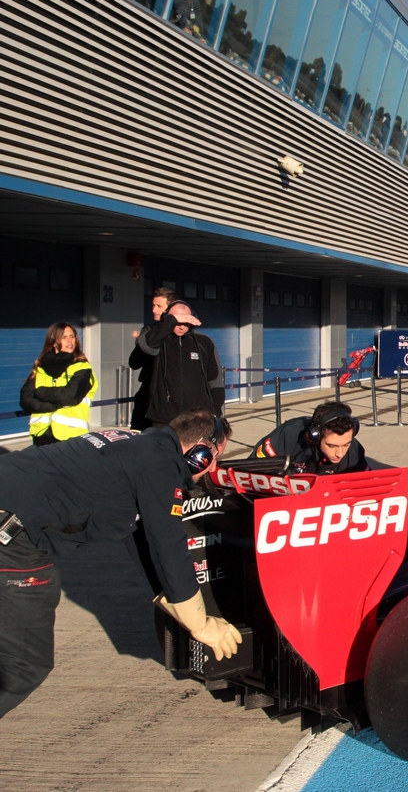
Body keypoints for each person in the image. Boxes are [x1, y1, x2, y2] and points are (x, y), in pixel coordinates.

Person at [0, 410, 242, 718]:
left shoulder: (135, 443)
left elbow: (139, 537)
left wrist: (168, 598)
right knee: (24, 665)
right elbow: (168, 544)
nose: (214, 467)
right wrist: (200, 625)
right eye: (215, 457)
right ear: (200, 453)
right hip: (12, 534)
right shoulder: (161, 465)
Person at [133, 300, 225, 428]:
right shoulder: (158, 339)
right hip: (164, 418)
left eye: (186, 322)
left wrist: (215, 412)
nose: (181, 327)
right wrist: (170, 322)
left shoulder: (204, 342)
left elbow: (215, 381)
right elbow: (147, 347)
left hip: (197, 418)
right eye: (177, 322)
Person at [19, 323, 97, 446]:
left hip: (71, 436)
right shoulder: (40, 367)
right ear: (54, 341)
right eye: (64, 337)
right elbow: (25, 400)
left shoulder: (82, 367)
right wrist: (51, 406)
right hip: (41, 435)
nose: (70, 341)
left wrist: (39, 392)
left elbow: (69, 396)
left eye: (72, 336)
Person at [252, 401, 367, 475]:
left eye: (346, 444)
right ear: (314, 436)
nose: (340, 453)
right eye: (332, 446)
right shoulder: (289, 435)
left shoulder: (355, 452)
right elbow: (251, 471)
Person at [129, 287, 177, 430]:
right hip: (147, 396)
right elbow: (134, 362)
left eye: (159, 306)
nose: (154, 310)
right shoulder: (149, 332)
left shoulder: (182, 336)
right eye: (153, 305)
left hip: (170, 400)